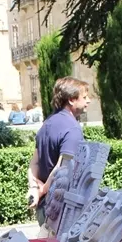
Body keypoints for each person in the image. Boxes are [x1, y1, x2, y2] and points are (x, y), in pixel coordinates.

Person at [29, 77, 91, 220]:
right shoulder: (72, 128)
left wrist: (34, 188)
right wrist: (42, 191)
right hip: (59, 210)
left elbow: (34, 163)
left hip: (44, 207)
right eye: (84, 97)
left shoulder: (47, 123)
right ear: (71, 100)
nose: (88, 101)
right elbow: (62, 167)